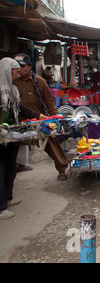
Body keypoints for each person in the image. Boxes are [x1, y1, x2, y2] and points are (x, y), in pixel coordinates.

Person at [13, 54, 69, 181]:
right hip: (19, 120)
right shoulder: (13, 81)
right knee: (11, 147)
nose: (20, 69)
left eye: (22, 66)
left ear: (30, 66)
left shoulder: (39, 81)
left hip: (39, 119)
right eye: (18, 67)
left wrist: (55, 119)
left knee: (51, 143)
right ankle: (12, 171)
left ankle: (62, 168)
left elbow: (49, 102)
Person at [0, 58, 43, 220]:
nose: (18, 75)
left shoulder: (10, 89)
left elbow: (19, 108)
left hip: (7, 136)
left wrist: (39, 115)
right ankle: (1, 208)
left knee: (11, 166)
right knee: (1, 170)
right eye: (16, 72)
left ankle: (8, 198)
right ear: (7, 71)